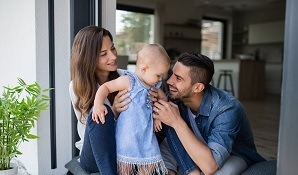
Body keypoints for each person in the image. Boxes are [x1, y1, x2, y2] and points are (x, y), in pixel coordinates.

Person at [152, 52, 266, 175]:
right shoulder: (175, 98)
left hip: (232, 155)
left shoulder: (226, 108)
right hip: (193, 147)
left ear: (198, 88)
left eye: (178, 78)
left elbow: (209, 167)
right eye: (172, 74)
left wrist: (177, 122)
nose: (169, 81)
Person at [92, 44, 170, 175]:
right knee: (127, 168)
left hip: (146, 135)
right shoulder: (129, 81)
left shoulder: (153, 85)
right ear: (144, 69)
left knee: (148, 165)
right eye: (158, 75)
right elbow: (105, 87)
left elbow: (163, 100)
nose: (160, 79)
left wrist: (157, 116)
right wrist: (98, 104)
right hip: (127, 136)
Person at [69, 26, 133, 174]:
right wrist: (114, 111)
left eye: (113, 48)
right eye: (103, 54)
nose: (113, 57)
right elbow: (92, 131)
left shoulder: (126, 78)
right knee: (98, 114)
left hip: (124, 148)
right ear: (88, 57)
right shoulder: (76, 87)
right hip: (93, 156)